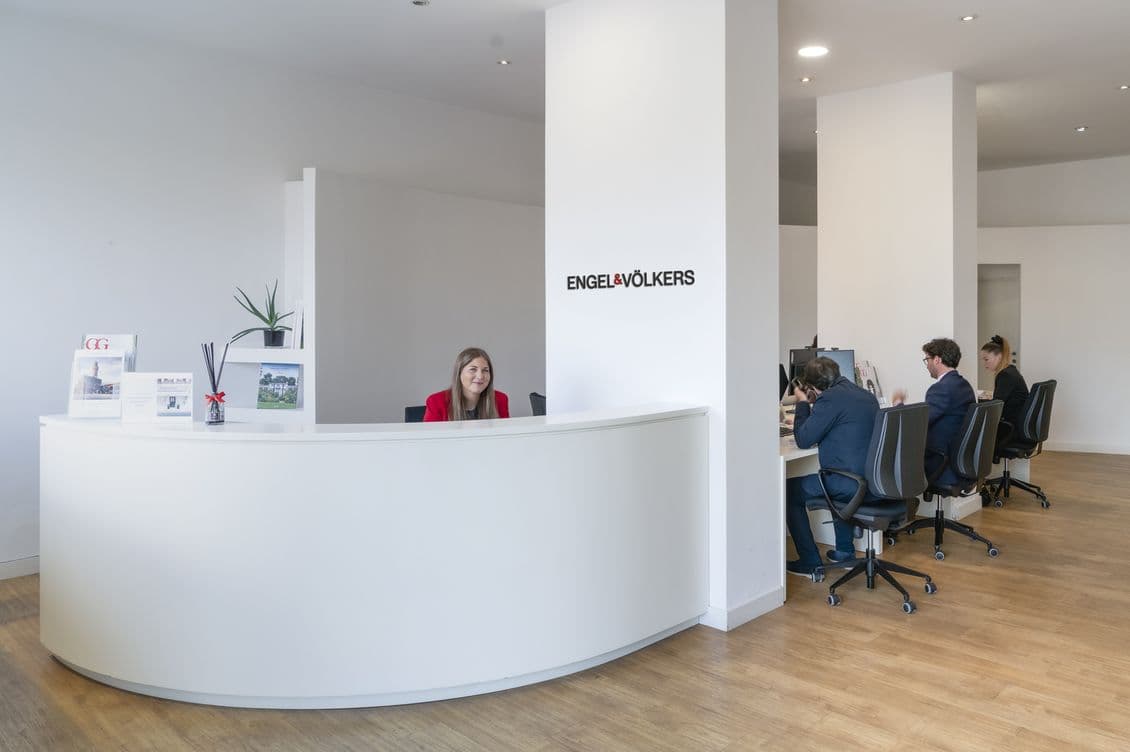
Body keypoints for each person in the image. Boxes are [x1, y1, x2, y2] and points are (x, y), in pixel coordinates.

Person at [786, 357, 880, 577]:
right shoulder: (866, 396)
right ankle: (845, 553)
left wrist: (802, 403)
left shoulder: (828, 400)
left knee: (789, 491)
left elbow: (803, 439)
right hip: (873, 480)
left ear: (812, 386)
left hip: (848, 483)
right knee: (837, 477)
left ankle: (810, 562)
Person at [891, 338, 976, 487]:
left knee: (891, 454)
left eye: (927, 359)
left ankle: (900, 507)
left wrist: (897, 404)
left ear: (937, 359)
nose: (927, 365)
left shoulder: (941, 388)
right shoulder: (963, 385)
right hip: (957, 459)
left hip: (939, 461)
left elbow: (916, 423)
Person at [424, 347, 510, 421]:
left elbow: (506, 437)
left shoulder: (500, 399)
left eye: (485, 370)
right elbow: (429, 439)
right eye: (473, 369)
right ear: (459, 373)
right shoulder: (435, 402)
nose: (480, 376)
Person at [980, 334, 1029, 445]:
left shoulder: (1005, 376)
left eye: (986, 359)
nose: (984, 364)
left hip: (1011, 429)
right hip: (1018, 425)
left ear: (999, 356)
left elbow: (995, 406)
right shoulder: (1011, 371)